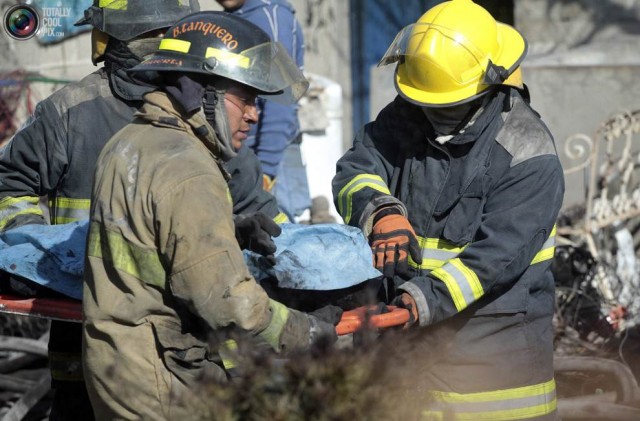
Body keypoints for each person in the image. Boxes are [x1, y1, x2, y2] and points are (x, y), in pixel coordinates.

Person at [0, 1, 284, 419]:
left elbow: (260, 219)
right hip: (96, 328)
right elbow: (11, 186)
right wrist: (45, 255)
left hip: (173, 342)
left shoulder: (207, 116)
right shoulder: (74, 112)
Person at [82, 11, 339, 419]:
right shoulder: (188, 167)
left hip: (116, 365)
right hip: (163, 384)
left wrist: (229, 232)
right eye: (246, 99)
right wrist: (307, 333)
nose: (254, 115)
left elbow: (148, 241)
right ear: (202, 93)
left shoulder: (128, 141)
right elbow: (232, 306)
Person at [332, 0, 563, 419]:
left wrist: (420, 300)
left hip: (492, 373)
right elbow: (357, 167)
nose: (432, 114)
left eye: (445, 105)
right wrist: (381, 209)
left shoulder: (528, 153)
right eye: (425, 103)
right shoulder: (410, 115)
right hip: (404, 363)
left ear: (487, 88)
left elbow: (496, 258)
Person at [215, 0, 311, 221]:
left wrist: (266, 171)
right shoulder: (236, 16)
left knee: (280, 239)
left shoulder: (270, 17)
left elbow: (281, 100)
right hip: (245, 154)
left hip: (272, 155)